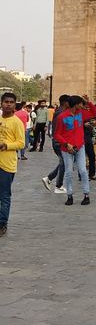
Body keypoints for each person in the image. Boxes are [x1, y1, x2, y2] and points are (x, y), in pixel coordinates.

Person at [54, 95, 96, 206]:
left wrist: (89, 103)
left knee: (83, 170)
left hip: (80, 146)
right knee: (68, 172)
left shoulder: (81, 114)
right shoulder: (62, 117)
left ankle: (86, 194)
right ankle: (69, 195)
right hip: (67, 148)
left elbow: (95, 113)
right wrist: (66, 144)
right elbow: (57, 134)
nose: (82, 105)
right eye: (81, 103)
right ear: (76, 104)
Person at [0, 91, 25, 235]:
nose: (8, 104)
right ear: (1, 103)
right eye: (6, 102)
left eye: (11, 102)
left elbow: (21, 143)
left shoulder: (16, 122)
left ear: (15, 105)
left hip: (7, 164)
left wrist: (6, 145)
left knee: (4, 195)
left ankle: (2, 223)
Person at [42, 94, 69, 194]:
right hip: (59, 141)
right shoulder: (61, 112)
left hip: (58, 140)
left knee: (64, 162)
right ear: (66, 102)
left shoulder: (59, 111)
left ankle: (49, 178)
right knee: (64, 163)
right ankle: (58, 185)